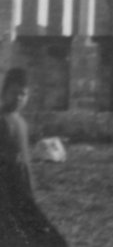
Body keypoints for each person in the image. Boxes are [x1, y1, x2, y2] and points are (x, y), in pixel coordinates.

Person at [0, 68, 68, 245]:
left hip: (22, 188)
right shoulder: (1, 120)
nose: (18, 98)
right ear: (4, 91)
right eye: (14, 92)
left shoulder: (21, 123)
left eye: (23, 94)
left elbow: (24, 160)